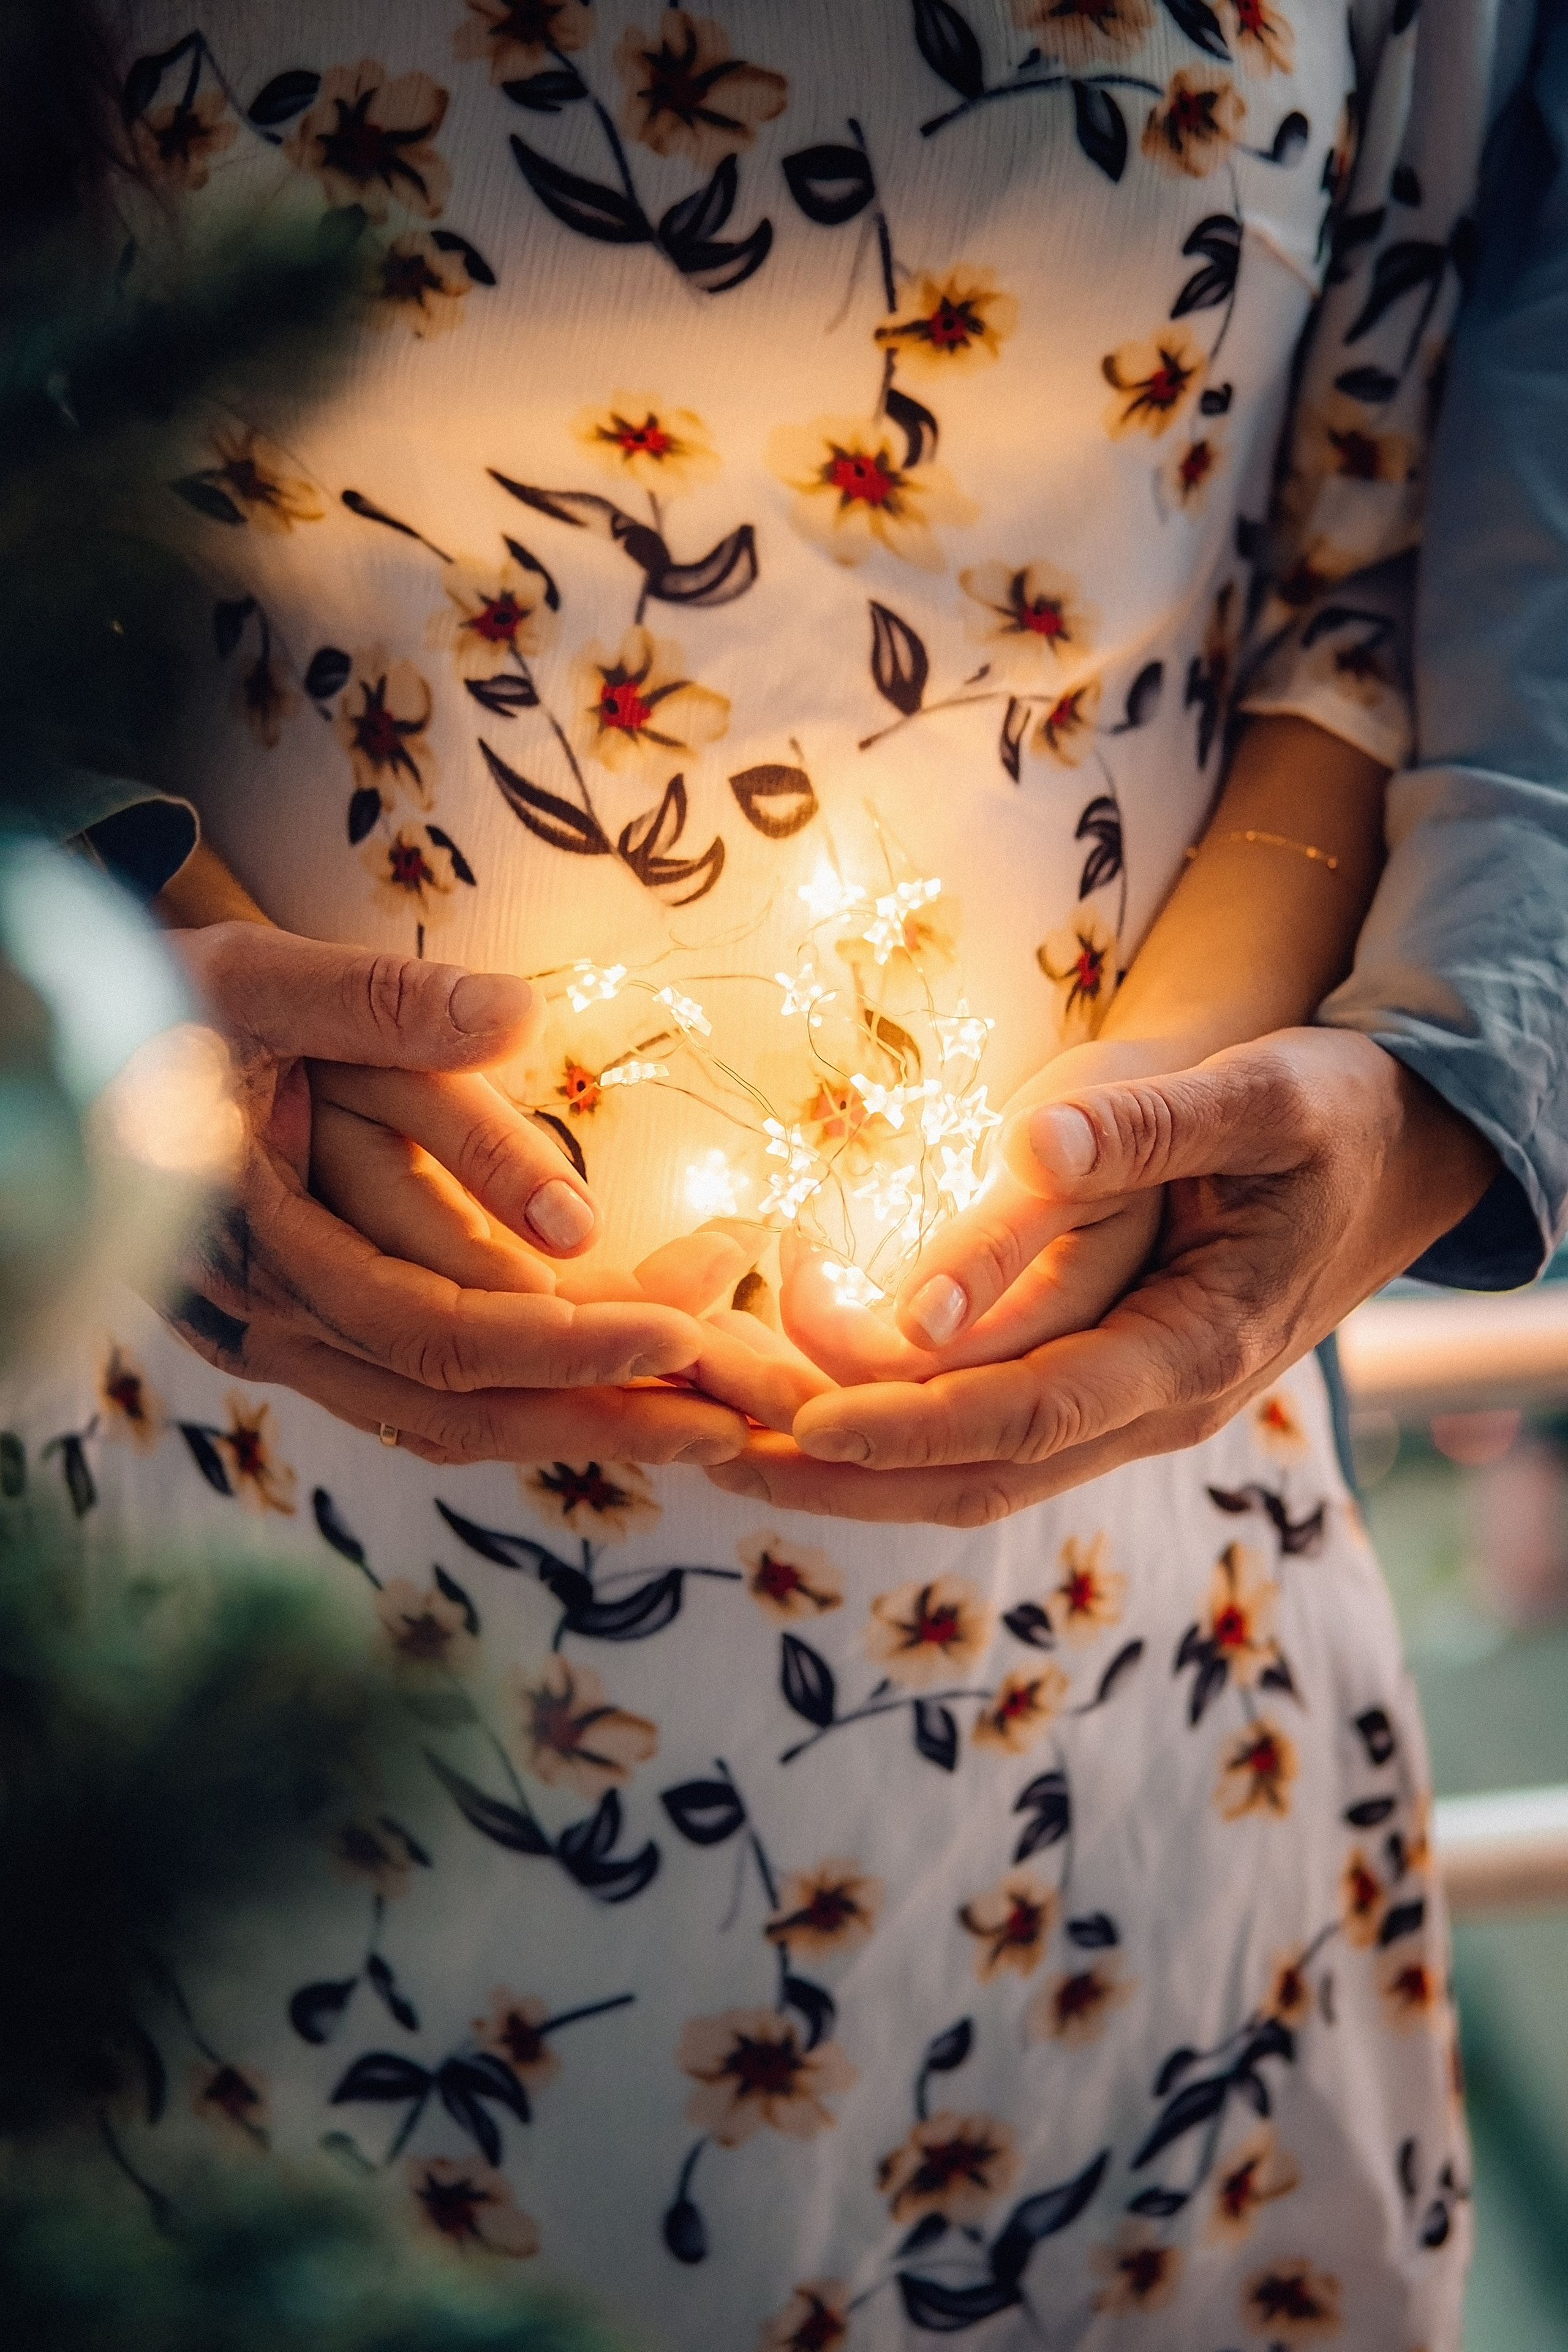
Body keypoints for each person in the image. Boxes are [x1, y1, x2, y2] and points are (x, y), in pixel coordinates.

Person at [7, 1, 1565, 2343]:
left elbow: (1393, 523)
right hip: (210, 1571)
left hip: (1098, 1674)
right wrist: (100, 936)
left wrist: (1369, 1109)